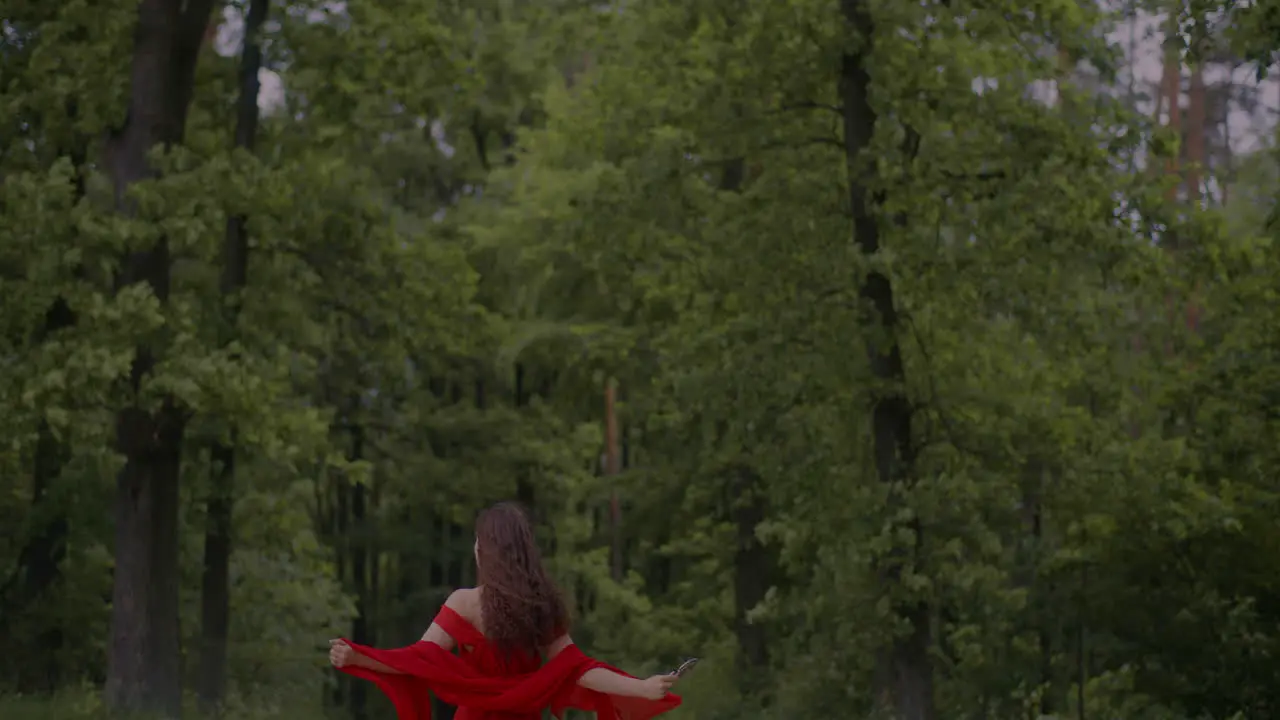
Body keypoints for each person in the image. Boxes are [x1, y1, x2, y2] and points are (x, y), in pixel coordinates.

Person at [328, 502, 683, 720]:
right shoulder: (541, 606)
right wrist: (641, 687)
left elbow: (419, 661)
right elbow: (578, 669)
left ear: (485, 550)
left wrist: (360, 658)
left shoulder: (465, 602)